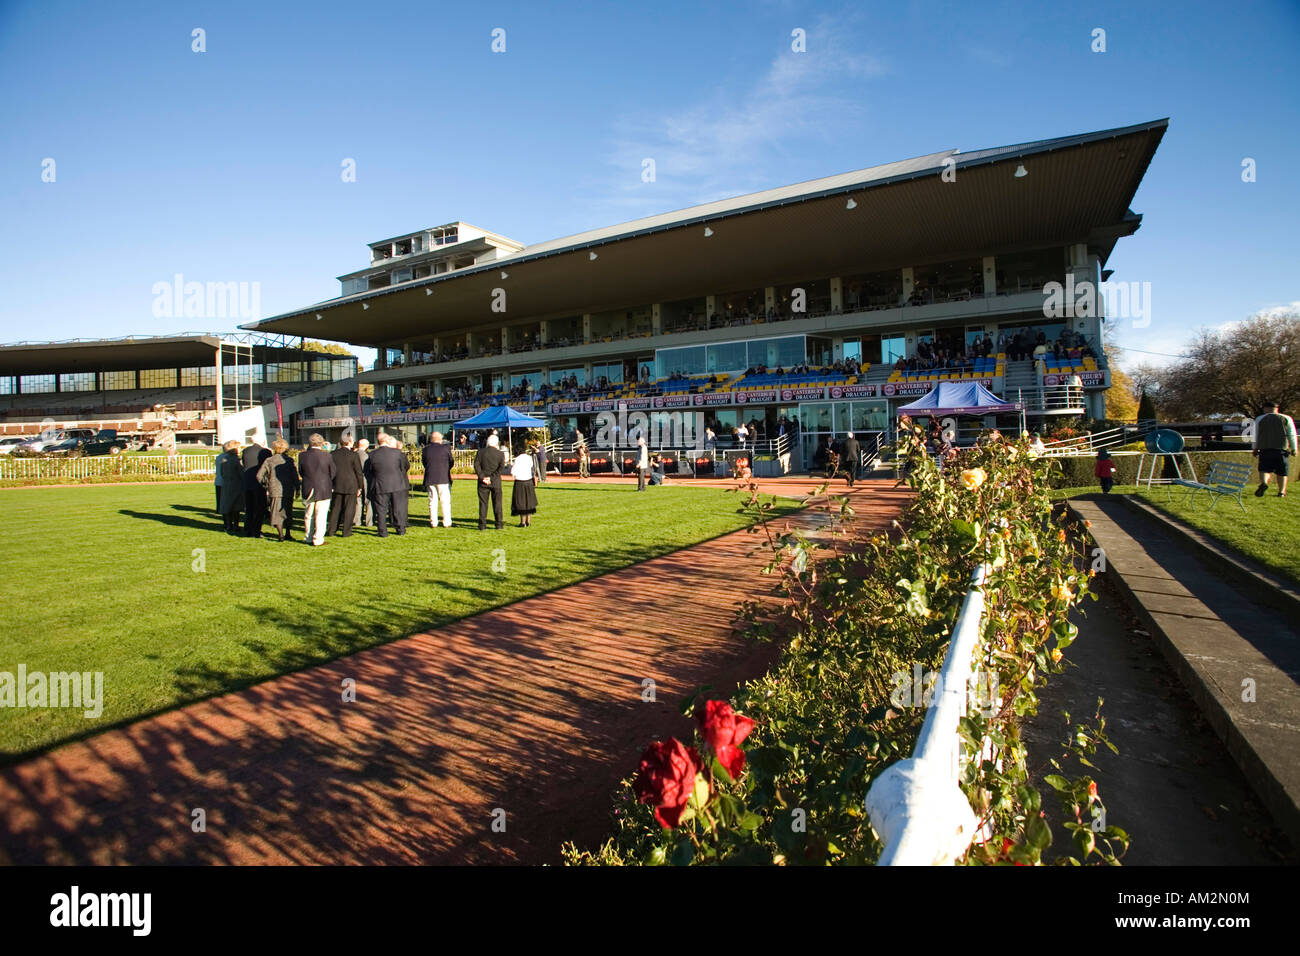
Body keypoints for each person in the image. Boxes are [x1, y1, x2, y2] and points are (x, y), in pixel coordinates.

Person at [256, 438, 299, 542]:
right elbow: (295, 476)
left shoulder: (269, 460)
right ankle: (288, 533)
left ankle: (281, 535)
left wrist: (266, 484)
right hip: (287, 489)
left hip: (274, 489)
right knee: (287, 511)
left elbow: (259, 475)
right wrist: (297, 488)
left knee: (275, 512)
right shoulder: (288, 460)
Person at [1252, 400, 1298, 497]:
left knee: (1264, 469)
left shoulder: (1259, 419)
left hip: (1265, 449)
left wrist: (1255, 448)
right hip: (1281, 449)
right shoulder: (1286, 418)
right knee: (1282, 472)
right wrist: (1294, 448)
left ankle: (1264, 483)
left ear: (1266, 408)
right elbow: (1292, 434)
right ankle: (1281, 492)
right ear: (1276, 408)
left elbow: (1255, 435)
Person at [298, 433, 336, 546]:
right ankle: (318, 539)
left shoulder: (302, 455)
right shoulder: (327, 456)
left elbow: (300, 471)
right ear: (322, 443)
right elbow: (333, 472)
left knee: (309, 514)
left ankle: (308, 537)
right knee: (321, 515)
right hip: (324, 487)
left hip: (308, 486)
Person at [368, 435, 409, 536]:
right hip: (397, 484)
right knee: (398, 508)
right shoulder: (397, 453)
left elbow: (369, 470)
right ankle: (401, 529)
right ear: (387, 440)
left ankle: (382, 531)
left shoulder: (372, 454)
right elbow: (404, 467)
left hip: (380, 485)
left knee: (381, 510)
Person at [327, 436, 365, 537]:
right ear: (349, 443)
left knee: (335, 508)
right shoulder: (353, 455)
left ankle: (331, 530)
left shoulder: (332, 454)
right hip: (351, 484)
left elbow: (330, 470)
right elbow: (358, 472)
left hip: (337, 484)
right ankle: (346, 531)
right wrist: (360, 487)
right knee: (349, 508)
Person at [474, 434, 507, 529]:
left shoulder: (480, 452)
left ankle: (482, 524)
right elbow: (501, 468)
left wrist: (482, 477)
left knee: (483, 503)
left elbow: (477, 466)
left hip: (482, 482)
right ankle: (498, 523)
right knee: (497, 503)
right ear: (496, 443)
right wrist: (491, 478)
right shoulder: (500, 454)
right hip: (495, 482)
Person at [422, 430, 454, 528]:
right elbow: (451, 462)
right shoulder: (446, 448)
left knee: (432, 501)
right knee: (445, 501)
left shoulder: (426, 450)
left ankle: (433, 522)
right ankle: (446, 522)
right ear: (440, 439)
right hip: (443, 477)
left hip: (430, 477)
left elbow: (424, 463)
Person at [241, 439, 272, 537]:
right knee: (259, 508)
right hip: (259, 482)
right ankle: (256, 530)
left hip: (247, 482)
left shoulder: (246, 451)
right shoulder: (266, 452)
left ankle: (248, 527)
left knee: (249, 507)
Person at [216, 440, 245, 535]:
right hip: (236, 484)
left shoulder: (224, 459)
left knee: (227, 504)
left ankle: (228, 525)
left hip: (226, 484)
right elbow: (241, 473)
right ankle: (236, 525)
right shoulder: (236, 460)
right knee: (236, 506)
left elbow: (222, 473)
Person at [510, 445, 538, 527]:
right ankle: (528, 521)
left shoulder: (518, 459)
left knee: (521, 502)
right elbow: (532, 469)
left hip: (520, 482)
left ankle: (522, 522)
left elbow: (513, 472)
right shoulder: (529, 457)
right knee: (529, 502)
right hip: (529, 481)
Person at [355, 438, 375, 527]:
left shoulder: (354, 454)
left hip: (355, 479)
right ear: (366, 446)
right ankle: (369, 522)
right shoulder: (367, 456)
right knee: (368, 501)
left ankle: (357, 521)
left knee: (358, 501)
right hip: (366, 479)